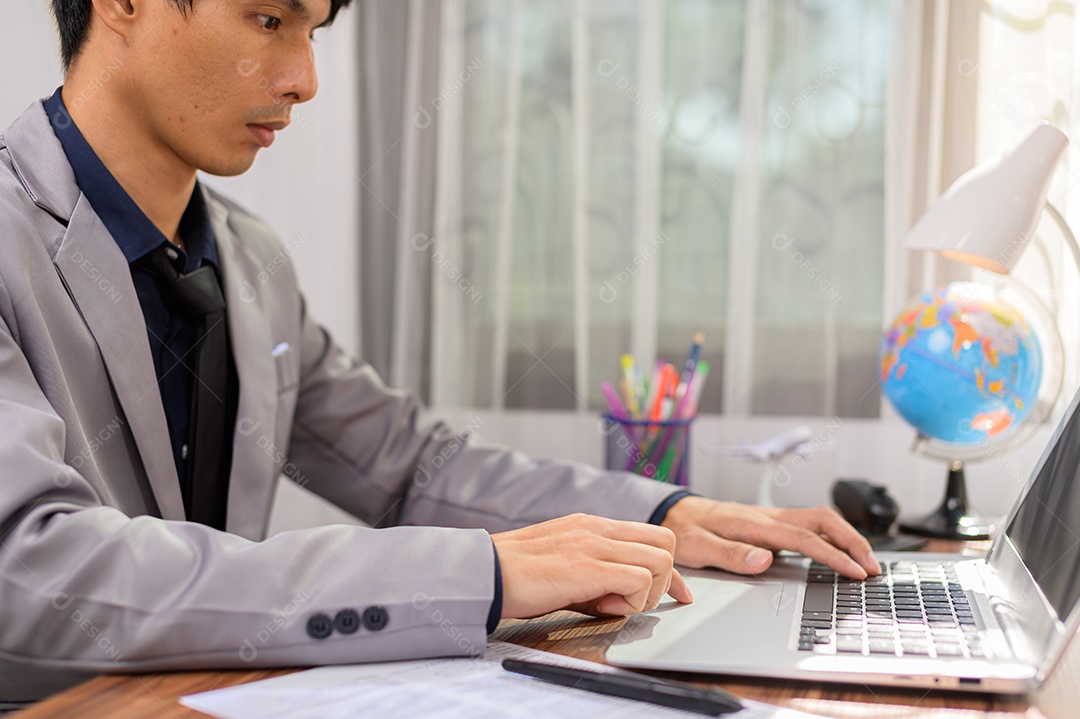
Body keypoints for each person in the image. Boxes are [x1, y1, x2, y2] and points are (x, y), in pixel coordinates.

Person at [0, 0, 879, 707]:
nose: (303, 80)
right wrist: (477, 573)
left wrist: (664, 513)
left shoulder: (249, 256)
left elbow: (410, 465)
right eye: (269, 21)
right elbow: (33, 570)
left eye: (315, 31)